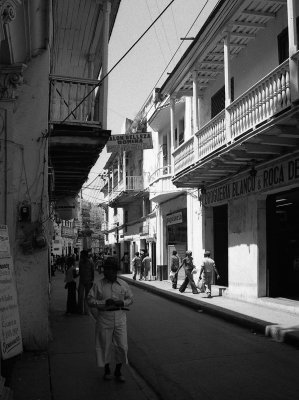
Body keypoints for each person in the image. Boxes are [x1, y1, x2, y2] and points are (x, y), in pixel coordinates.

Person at [87, 257, 133, 382]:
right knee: (104, 345)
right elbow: (90, 300)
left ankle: (118, 371)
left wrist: (122, 302)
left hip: (120, 317)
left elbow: (130, 299)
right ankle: (107, 370)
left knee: (122, 346)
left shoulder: (123, 284)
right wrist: (103, 302)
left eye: (112, 270)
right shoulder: (98, 285)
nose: (110, 273)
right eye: (107, 270)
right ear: (105, 271)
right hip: (104, 317)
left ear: (116, 271)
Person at [78, 249, 95, 314]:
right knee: (80, 296)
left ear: (85, 255)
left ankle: (87, 310)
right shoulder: (80, 262)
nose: (81, 256)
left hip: (88, 281)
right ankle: (80, 310)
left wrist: (92, 280)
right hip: (81, 281)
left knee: (87, 297)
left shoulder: (90, 262)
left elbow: (92, 271)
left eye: (82, 255)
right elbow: (79, 271)